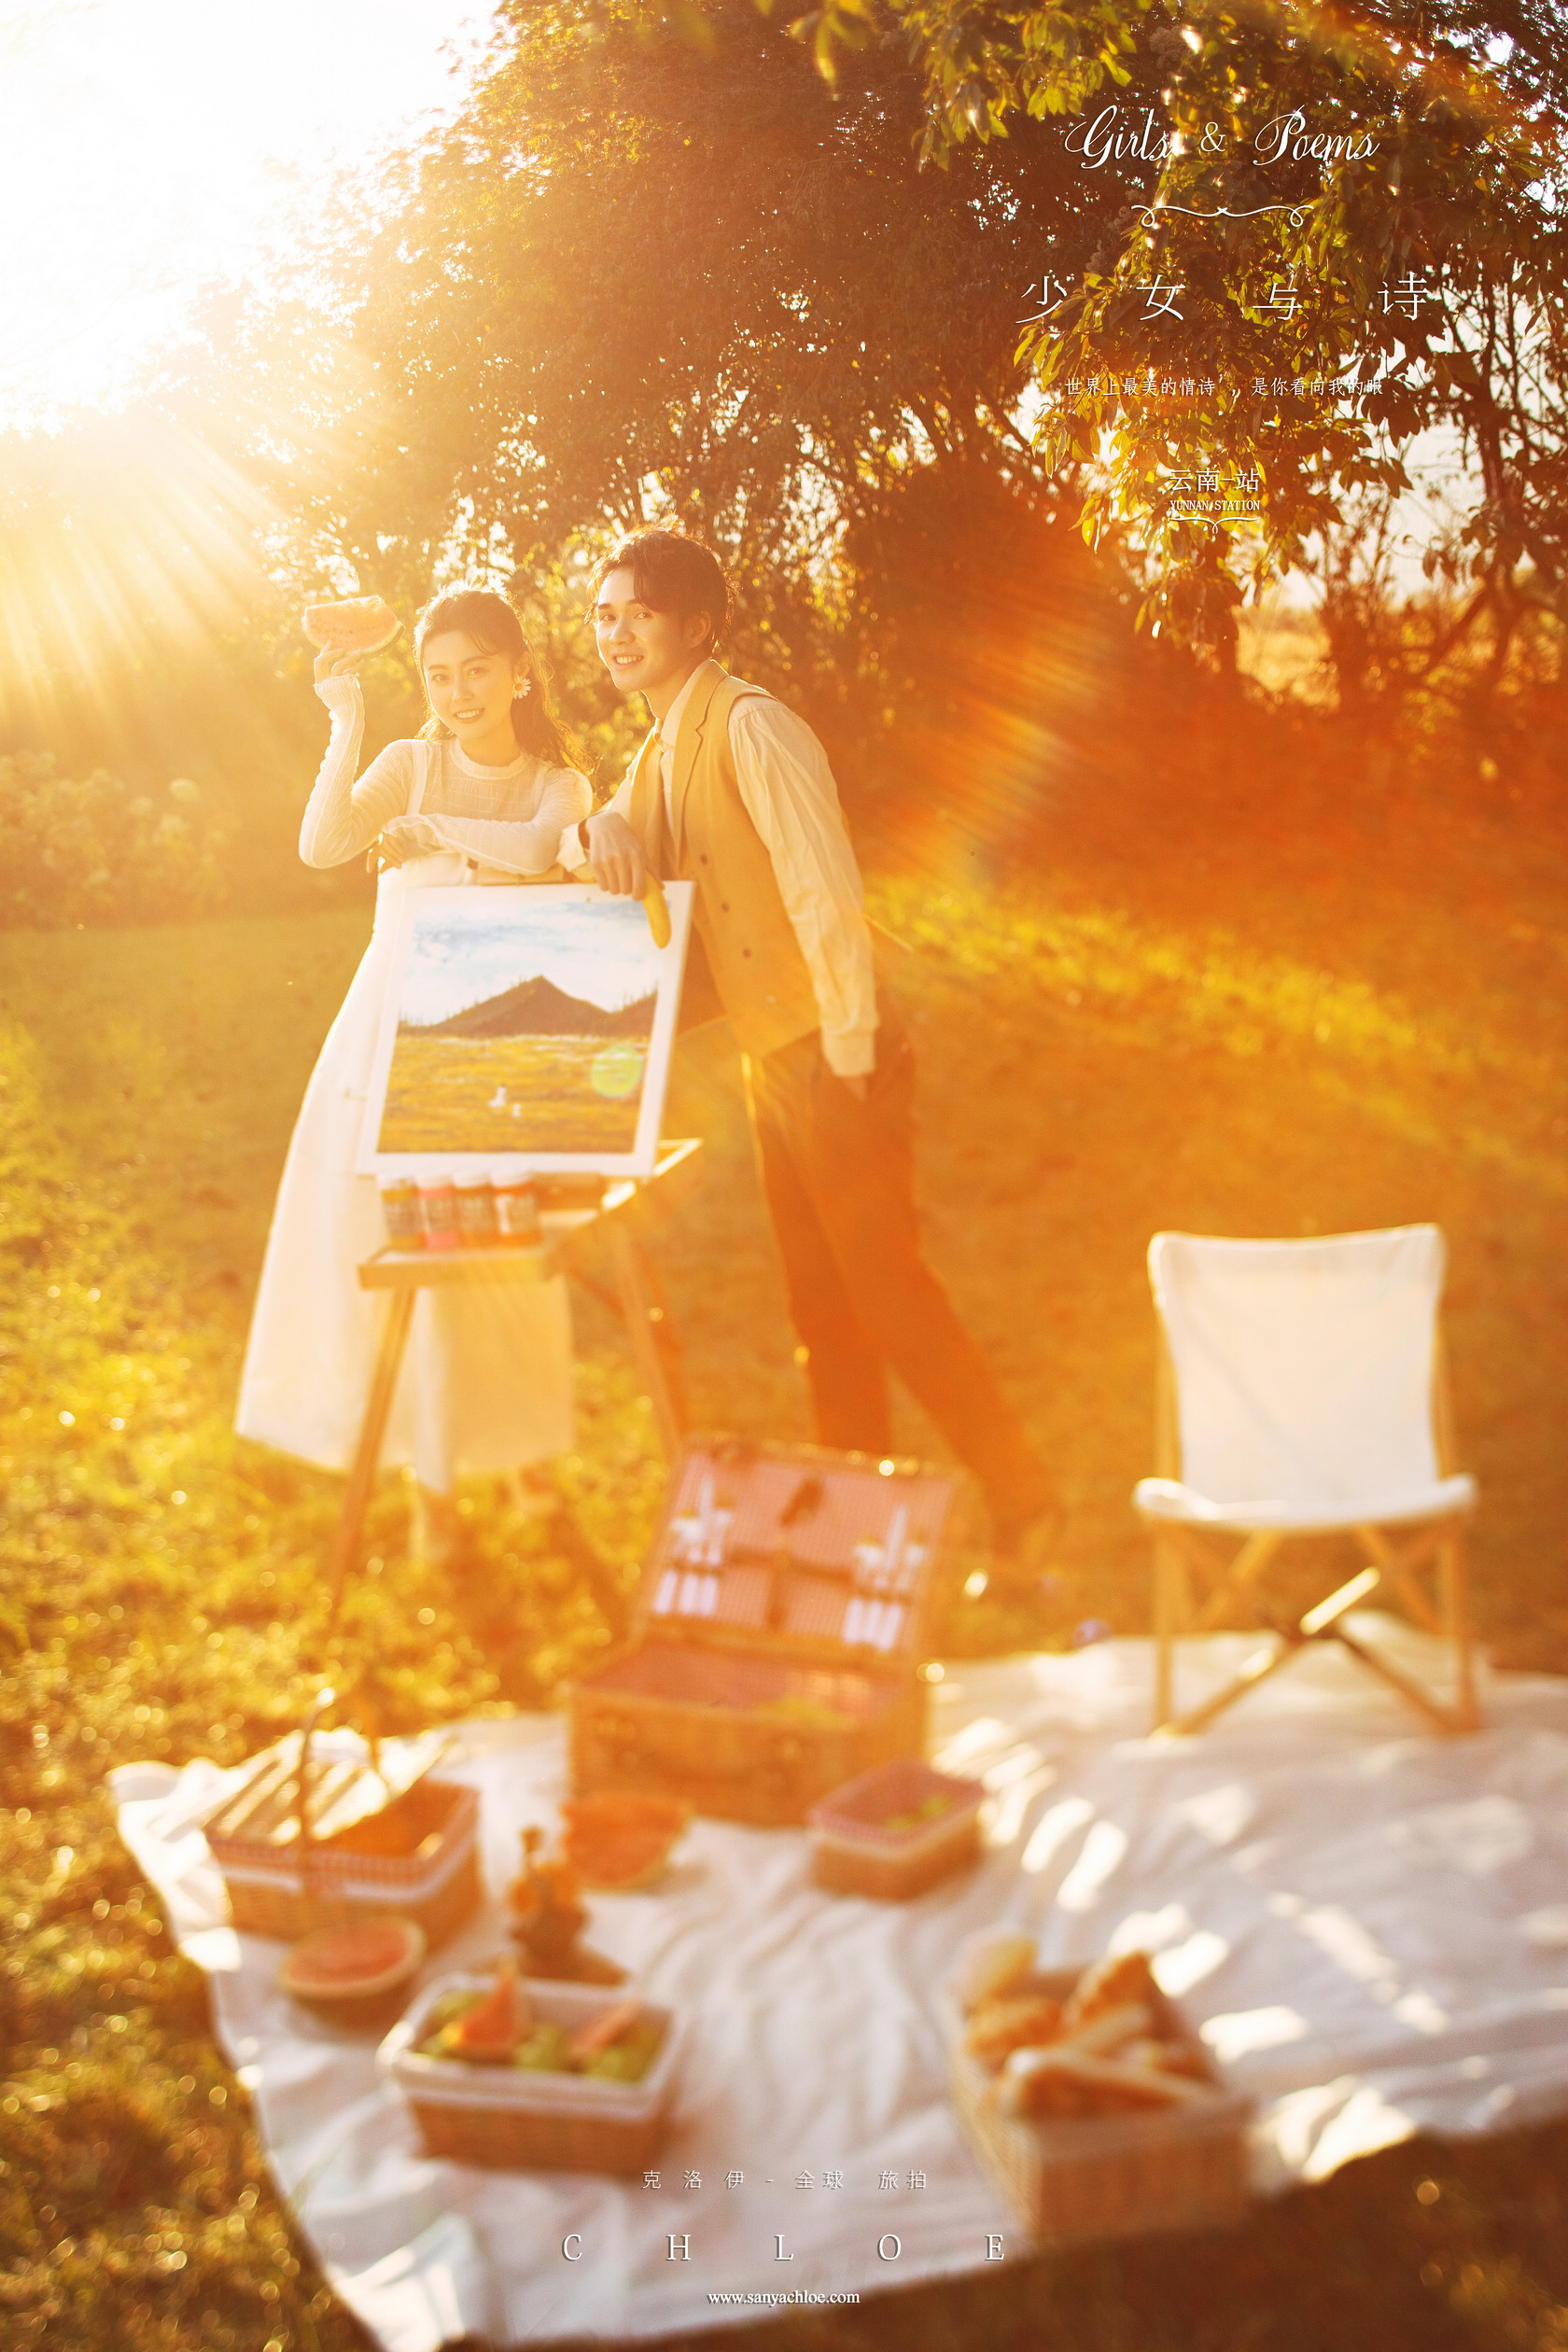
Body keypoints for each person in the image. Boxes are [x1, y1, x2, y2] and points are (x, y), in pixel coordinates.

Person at [568, 527, 1062, 1586]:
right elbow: (619, 823)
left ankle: (1027, 1504)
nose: (616, 633)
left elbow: (823, 889)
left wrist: (848, 1055)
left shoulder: (752, 726)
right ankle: (857, 1536)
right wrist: (600, 824)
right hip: (774, 1057)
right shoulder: (660, 749)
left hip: (840, 1045)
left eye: (639, 613)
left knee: (888, 1295)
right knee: (819, 1310)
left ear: (698, 625)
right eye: (605, 614)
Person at [235, 587, 591, 1533]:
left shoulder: (559, 787)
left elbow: (537, 850)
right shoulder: (408, 762)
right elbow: (323, 845)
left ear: (520, 673)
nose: (459, 693)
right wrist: (344, 714)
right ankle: (430, 1484)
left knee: (505, 1252)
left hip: (497, 1040)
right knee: (409, 1254)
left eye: (477, 670)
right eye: (439, 677)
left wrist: (431, 833)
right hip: (388, 1036)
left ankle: (524, 1457)